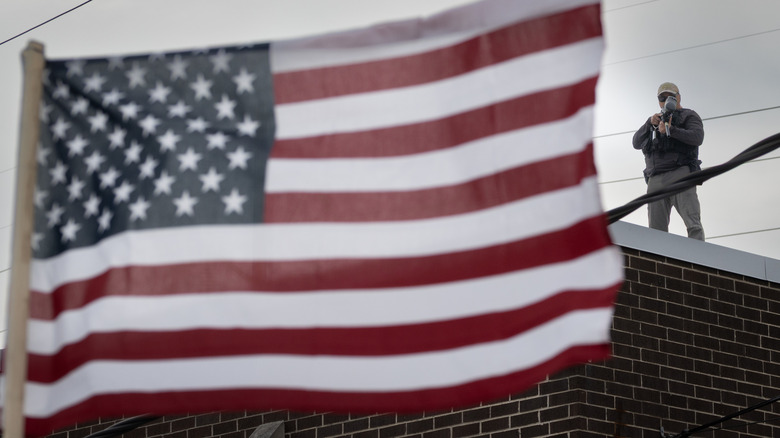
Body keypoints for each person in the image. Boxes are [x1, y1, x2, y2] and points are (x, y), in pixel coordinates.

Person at [632, 82, 705, 240]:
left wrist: (672, 130)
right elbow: (636, 143)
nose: (666, 101)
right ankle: (658, 263)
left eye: (670, 97)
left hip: (681, 174)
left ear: (678, 97)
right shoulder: (654, 121)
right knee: (655, 231)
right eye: (662, 97)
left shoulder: (688, 115)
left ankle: (700, 260)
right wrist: (649, 123)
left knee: (693, 223)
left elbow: (697, 137)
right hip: (656, 178)